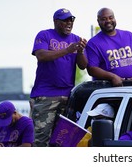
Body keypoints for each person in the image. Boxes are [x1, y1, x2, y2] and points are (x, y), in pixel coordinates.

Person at [30, 8, 88, 147]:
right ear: (56, 21)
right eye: (65, 20)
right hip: (46, 95)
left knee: (62, 140)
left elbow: (83, 65)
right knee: (41, 140)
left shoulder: (76, 39)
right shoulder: (45, 35)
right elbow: (41, 55)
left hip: (68, 96)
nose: (69, 23)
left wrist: (80, 51)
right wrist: (67, 50)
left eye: (71, 20)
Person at [86, 7, 132, 86]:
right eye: (104, 19)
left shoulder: (129, 36)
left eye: (110, 18)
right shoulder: (93, 43)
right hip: (107, 89)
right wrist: (112, 77)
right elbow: (92, 69)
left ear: (115, 18)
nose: (108, 21)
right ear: (98, 21)